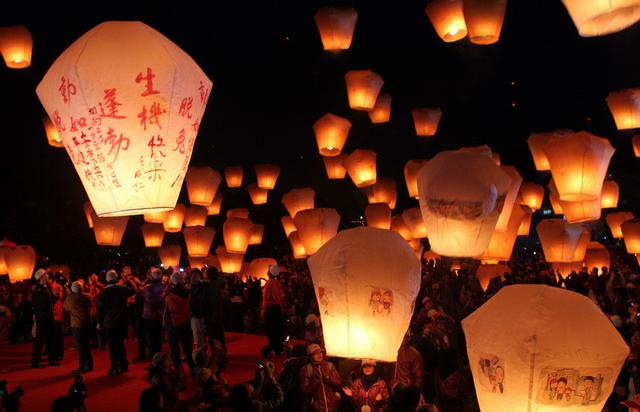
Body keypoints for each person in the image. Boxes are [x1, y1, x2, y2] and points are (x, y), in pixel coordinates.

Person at [97, 269, 135, 375]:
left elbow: (100, 309)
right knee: (120, 343)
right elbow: (133, 291)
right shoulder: (121, 289)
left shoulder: (104, 292)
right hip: (121, 321)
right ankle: (123, 364)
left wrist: (99, 322)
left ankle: (114, 366)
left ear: (107, 279)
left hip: (110, 322)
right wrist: (128, 281)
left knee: (112, 345)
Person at [164, 272, 195, 373]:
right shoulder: (188, 293)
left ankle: (179, 371)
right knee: (188, 349)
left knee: (174, 349)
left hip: (174, 324)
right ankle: (193, 370)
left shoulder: (169, 295)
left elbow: (167, 308)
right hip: (186, 322)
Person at [300, 344, 342, 412]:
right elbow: (305, 390)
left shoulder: (329, 366)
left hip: (332, 406)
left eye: (320, 352)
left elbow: (338, 382)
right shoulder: (306, 369)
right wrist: (315, 382)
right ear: (310, 356)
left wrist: (328, 378)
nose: (319, 355)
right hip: (316, 408)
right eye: (315, 353)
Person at [63, 281, 93, 374]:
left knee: (80, 347)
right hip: (87, 324)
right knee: (87, 345)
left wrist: (69, 295)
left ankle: (82, 366)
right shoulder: (88, 296)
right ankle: (90, 365)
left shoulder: (70, 299)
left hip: (77, 325)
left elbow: (65, 307)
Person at [31, 269, 58, 368]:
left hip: (48, 317)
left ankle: (52, 359)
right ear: (41, 277)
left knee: (51, 338)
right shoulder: (38, 290)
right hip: (42, 318)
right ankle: (35, 362)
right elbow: (44, 303)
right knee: (40, 340)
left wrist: (54, 296)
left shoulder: (47, 287)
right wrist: (55, 296)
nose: (47, 276)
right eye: (45, 275)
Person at [276, 344, 309, 412]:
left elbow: (282, 375)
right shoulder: (308, 362)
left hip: (290, 389)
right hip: (303, 390)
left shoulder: (289, 361)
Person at [142, 268, 166, 356]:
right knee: (159, 337)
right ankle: (159, 355)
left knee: (151, 337)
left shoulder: (147, 288)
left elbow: (141, 296)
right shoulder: (165, 287)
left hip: (150, 315)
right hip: (161, 315)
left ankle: (154, 356)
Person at [261, 266, 285, 355]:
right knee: (278, 329)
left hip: (271, 309)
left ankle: (274, 348)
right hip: (277, 308)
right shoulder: (278, 283)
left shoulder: (269, 283)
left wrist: (263, 310)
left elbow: (266, 298)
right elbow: (281, 297)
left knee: (271, 330)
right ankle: (279, 348)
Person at [204, 266, 226, 350]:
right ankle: (222, 349)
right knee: (219, 332)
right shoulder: (220, 282)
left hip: (210, 311)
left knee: (212, 333)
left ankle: (214, 350)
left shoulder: (206, 283)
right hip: (218, 310)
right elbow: (223, 296)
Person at [51, 272, 66, 362]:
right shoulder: (49, 287)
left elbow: (57, 298)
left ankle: (59, 354)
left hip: (57, 314)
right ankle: (53, 352)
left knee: (58, 336)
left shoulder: (57, 286)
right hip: (53, 314)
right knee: (53, 335)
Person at [189, 269, 206, 350]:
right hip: (193, 313)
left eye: (195, 276)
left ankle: (199, 352)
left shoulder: (200, 287)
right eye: (191, 276)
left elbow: (198, 301)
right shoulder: (192, 286)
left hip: (197, 313)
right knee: (196, 334)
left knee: (198, 334)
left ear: (199, 277)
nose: (192, 278)